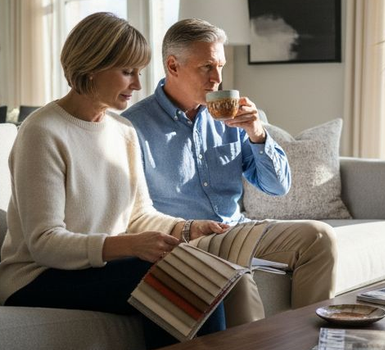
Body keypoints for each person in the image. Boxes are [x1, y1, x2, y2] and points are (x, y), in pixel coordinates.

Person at [0, 12, 271, 350]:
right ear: (89, 66)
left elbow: (141, 214)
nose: (137, 82)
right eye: (127, 70)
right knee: (169, 276)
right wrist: (129, 246)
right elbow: (43, 243)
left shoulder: (122, 131)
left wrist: (189, 230)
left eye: (139, 70)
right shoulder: (42, 132)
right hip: (38, 277)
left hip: (94, 266)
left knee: (202, 267)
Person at [123, 19, 337, 321]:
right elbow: (131, 214)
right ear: (173, 66)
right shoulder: (133, 127)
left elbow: (278, 186)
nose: (217, 79)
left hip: (235, 227)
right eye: (206, 67)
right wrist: (186, 229)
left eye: (220, 67)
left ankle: (304, 344)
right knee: (236, 277)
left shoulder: (232, 119)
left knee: (319, 237)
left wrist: (257, 133)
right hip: (185, 238)